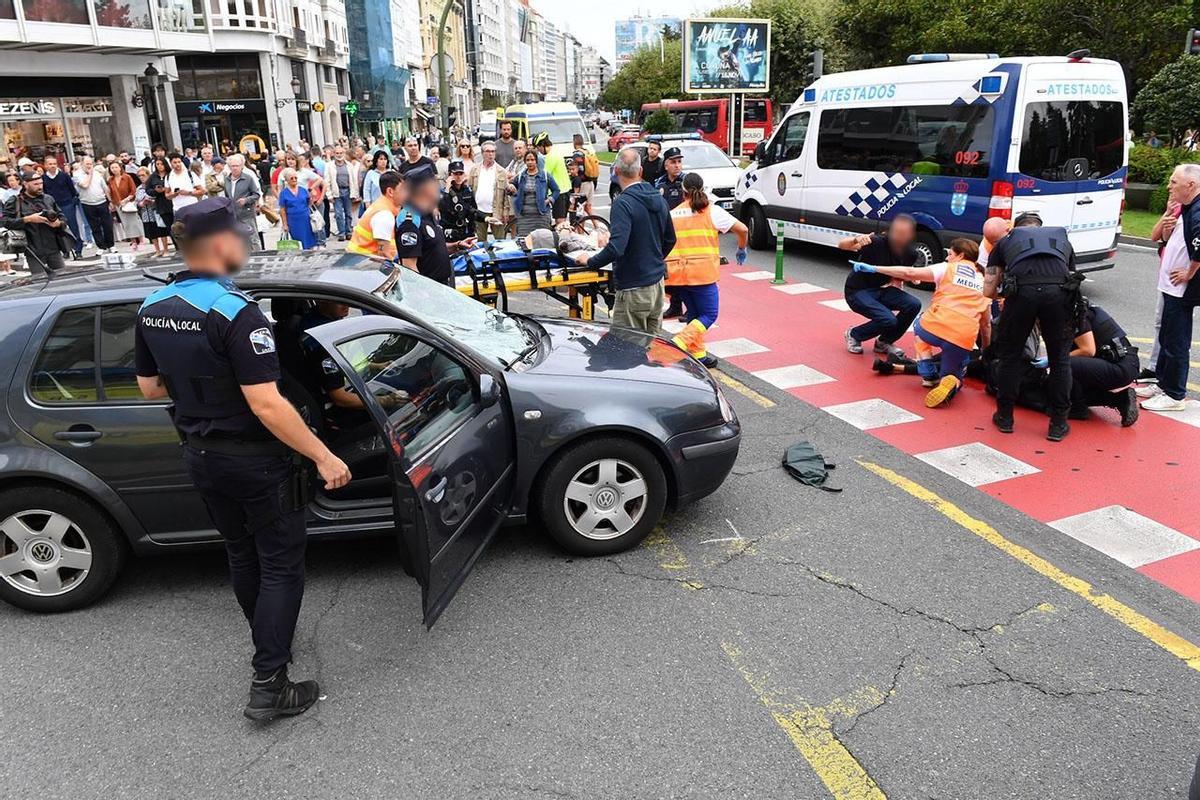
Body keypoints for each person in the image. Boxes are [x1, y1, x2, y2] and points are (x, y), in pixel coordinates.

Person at [134, 197, 351, 722]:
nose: (246, 243)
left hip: (202, 456)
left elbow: (148, 388)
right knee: (281, 566)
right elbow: (266, 403)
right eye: (240, 234)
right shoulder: (236, 312)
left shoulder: (152, 307)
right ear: (221, 245)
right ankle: (270, 684)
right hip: (256, 460)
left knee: (242, 554)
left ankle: (268, 643)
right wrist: (324, 456)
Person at [853, 239, 990, 408]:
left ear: (961, 255)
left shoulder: (946, 268)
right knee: (954, 375)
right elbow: (986, 325)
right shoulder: (984, 282)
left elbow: (909, 272)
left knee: (920, 324)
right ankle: (950, 381)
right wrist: (986, 350)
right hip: (962, 337)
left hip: (933, 327)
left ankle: (927, 374)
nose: (947, 258)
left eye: (950, 254)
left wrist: (874, 268)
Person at [984, 211, 1077, 440]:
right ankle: (1058, 424)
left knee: (1010, 357)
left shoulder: (1006, 242)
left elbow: (988, 291)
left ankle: (1005, 417)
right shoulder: (1063, 241)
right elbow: (1072, 276)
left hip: (1021, 295)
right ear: (1040, 226)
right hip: (1058, 297)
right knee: (1060, 360)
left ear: (1015, 228)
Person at [573, 148, 675, 335]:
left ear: (616, 172)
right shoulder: (657, 197)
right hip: (657, 284)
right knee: (650, 344)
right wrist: (653, 259)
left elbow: (616, 248)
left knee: (625, 351)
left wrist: (590, 261)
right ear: (641, 171)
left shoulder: (623, 203)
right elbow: (670, 239)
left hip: (633, 288)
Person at [663, 172, 748, 367]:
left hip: (678, 274)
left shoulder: (673, 213)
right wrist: (741, 248)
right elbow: (742, 229)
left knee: (694, 313)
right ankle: (679, 342)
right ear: (702, 189)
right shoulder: (712, 211)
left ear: (682, 191)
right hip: (702, 273)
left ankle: (699, 356)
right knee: (709, 314)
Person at [1141, 164, 1200, 413]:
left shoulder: (1198, 212)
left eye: (1174, 182)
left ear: (1191, 185)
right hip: (1170, 286)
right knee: (1165, 335)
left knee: (1176, 341)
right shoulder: (1186, 208)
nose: (1169, 186)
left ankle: (1174, 394)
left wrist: (1189, 272)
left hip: (1181, 289)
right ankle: (1162, 383)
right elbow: (1164, 239)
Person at [838, 215, 922, 362]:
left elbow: (897, 276)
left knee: (913, 304)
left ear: (911, 234)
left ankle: (884, 342)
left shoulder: (910, 254)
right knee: (888, 319)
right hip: (857, 290)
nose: (899, 236)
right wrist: (856, 239)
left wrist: (910, 278)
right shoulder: (877, 242)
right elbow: (842, 245)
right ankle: (854, 334)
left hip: (880, 290)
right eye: (897, 231)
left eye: (904, 232)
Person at [396, 165, 473, 285]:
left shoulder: (427, 213)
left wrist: (457, 245)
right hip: (429, 293)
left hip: (442, 287)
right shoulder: (410, 222)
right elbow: (410, 267)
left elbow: (431, 248)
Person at [1067, 301, 1140, 426]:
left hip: (1119, 366)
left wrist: (1053, 360)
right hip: (1122, 362)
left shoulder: (1074, 312)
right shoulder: (1079, 306)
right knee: (1065, 386)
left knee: (1063, 365)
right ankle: (1120, 399)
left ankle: (1078, 409)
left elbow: (1088, 350)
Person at [0, 170, 69, 274]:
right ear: (25, 184)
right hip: (33, 250)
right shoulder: (15, 201)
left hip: (53, 248)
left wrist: (58, 223)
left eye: (41, 183)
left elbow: (62, 217)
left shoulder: (48, 199)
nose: (40, 187)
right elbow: (5, 222)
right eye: (35, 184)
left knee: (63, 279)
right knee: (40, 282)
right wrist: (27, 219)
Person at [656, 147, 688, 319]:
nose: (677, 165)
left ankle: (691, 306)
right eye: (673, 162)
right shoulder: (659, 183)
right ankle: (676, 306)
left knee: (687, 274)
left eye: (679, 162)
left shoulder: (686, 182)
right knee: (671, 273)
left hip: (685, 235)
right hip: (667, 234)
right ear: (666, 165)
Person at [347, 170, 404, 259]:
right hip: (364, 265)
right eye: (403, 189)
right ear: (390, 192)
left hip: (359, 261)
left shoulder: (380, 206)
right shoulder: (384, 215)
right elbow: (384, 254)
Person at [41, 154, 83, 260]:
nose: (53, 166)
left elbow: (73, 190)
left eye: (54, 164)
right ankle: (65, 250)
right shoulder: (43, 178)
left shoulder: (64, 176)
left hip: (67, 204)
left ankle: (78, 250)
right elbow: (44, 193)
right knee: (58, 229)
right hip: (53, 207)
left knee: (73, 227)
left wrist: (72, 202)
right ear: (45, 165)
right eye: (50, 164)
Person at [510, 150, 559, 236]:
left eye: (532, 160)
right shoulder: (521, 176)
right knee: (524, 240)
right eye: (528, 160)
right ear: (525, 162)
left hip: (541, 215)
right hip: (524, 215)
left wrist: (549, 200)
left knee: (542, 239)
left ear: (536, 161)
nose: (530, 162)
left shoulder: (545, 175)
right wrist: (510, 188)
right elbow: (511, 188)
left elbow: (556, 190)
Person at [74, 156, 114, 253]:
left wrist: (111, 201)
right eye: (87, 164)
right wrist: (90, 174)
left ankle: (111, 245)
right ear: (82, 164)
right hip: (87, 203)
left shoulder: (97, 174)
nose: (89, 166)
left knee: (107, 225)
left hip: (102, 201)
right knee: (94, 226)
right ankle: (101, 246)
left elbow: (105, 188)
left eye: (91, 164)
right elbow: (85, 185)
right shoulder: (77, 174)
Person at [469, 141, 508, 240]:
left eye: (493, 151)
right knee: (481, 241)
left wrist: (505, 212)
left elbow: (505, 195)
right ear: (482, 153)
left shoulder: (501, 171)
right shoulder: (475, 169)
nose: (490, 154)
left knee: (500, 240)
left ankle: (497, 256)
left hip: (496, 211)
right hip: (479, 210)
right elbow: (470, 189)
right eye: (488, 151)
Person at [323, 145, 361, 241]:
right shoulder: (329, 166)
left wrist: (355, 193)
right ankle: (341, 233)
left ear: (344, 154)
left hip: (348, 191)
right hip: (337, 192)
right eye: (337, 153)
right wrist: (329, 194)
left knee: (348, 213)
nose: (339, 155)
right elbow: (326, 181)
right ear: (334, 154)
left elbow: (353, 180)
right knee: (338, 214)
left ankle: (348, 231)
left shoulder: (349, 165)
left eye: (341, 153)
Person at [224, 154, 263, 250]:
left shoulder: (248, 178)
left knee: (253, 239)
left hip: (247, 214)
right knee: (239, 240)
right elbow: (227, 196)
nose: (235, 168)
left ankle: (258, 257)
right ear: (229, 167)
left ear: (242, 166)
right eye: (232, 166)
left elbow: (256, 194)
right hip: (234, 215)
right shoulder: (227, 180)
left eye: (237, 166)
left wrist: (246, 200)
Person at [532, 132, 570, 224]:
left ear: (543, 145)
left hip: (560, 192)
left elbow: (543, 175)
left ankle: (563, 237)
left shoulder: (551, 157)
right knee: (560, 220)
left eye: (538, 147)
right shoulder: (555, 151)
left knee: (560, 221)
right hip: (564, 189)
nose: (538, 150)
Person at [107, 159, 144, 251]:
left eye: (116, 167)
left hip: (129, 202)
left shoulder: (127, 177)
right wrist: (111, 202)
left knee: (134, 222)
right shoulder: (110, 180)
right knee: (126, 224)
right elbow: (110, 192)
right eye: (112, 168)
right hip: (118, 204)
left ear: (120, 168)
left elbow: (133, 190)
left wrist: (127, 199)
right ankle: (133, 241)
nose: (114, 169)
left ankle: (141, 240)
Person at [277, 168, 317, 250]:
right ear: (287, 180)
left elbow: (309, 204)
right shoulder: (283, 193)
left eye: (296, 178)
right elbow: (282, 210)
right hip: (293, 221)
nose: (294, 180)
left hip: (305, 219)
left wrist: (312, 197)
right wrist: (285, 224)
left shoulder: (303, 190)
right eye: (291, 178)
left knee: (308, 240)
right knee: (297, 242)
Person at [439, 160, 478, 244]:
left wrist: (472, 232)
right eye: (456, 174)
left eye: (461, 174)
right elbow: (443, 208)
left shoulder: (467, 191)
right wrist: (447, 188)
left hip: (465, 231)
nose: (459, 176)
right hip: (449, 232)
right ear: (450, 175)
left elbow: (473, 211)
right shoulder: (444, 192)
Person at [135, 166, 169, 258]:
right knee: (152, 234)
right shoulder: (139, 189)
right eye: (139, 176)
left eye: (143, 175)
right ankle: (157, 251)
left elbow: (160, 197)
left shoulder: (153, 186)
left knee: (162, 231)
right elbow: (136, 202)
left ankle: (165, 250)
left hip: (155, 211)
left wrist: (152, 202)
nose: (141, 177)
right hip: (145, 214)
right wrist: (141, 204)